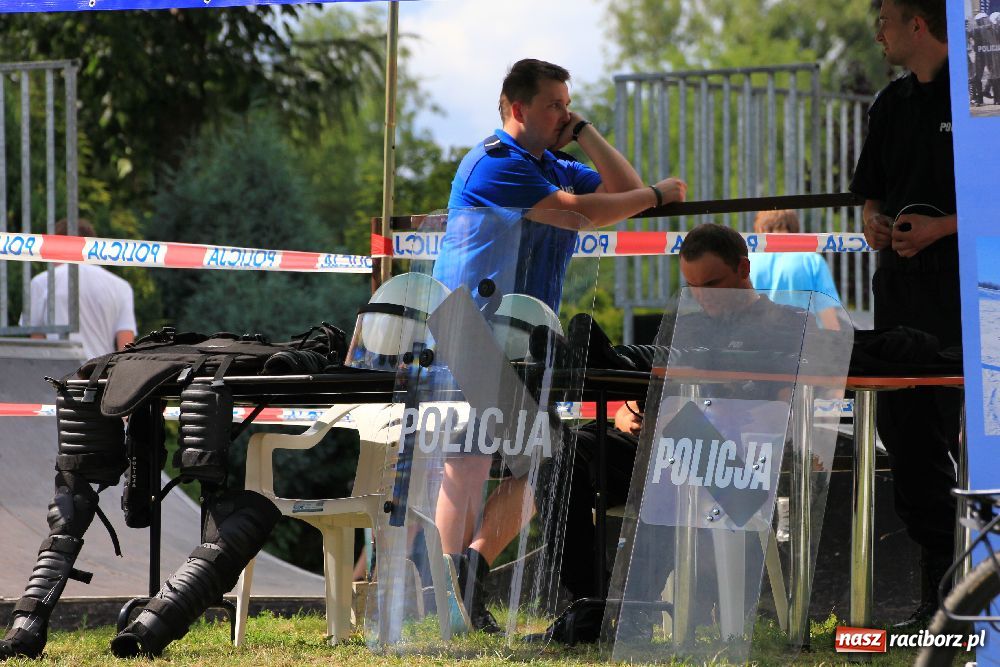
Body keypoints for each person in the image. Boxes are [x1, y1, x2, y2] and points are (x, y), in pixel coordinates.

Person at [429, 58, 687, 633]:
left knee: (546, 464)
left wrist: (587, 132)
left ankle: (469, 572)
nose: (563, 114)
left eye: (568, 104)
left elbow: (621, 189)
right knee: (468, 463)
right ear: (518, 108)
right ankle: (449, 605)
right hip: (471, 331)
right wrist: (654, 196)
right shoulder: (495, 163)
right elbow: (583, 214)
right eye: (554, 105)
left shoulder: (553, 165)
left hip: (527, 339)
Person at [544, 222, 820, 643]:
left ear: (744, 268)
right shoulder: (684, 325)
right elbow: (653, 391)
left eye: (713, 285)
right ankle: (593, 602)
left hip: (737, 465)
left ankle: (629, 610)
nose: (703, 298)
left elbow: (789, 413)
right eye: (692, 288)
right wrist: (628, 410)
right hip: (666, 446)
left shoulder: (791, 324)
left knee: (681, 446)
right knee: (561, 452)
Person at [850, 0, 960, 628]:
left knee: (968, 432)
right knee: (906, 432)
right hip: (899, 293)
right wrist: (874, 222)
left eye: (885, 21)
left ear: (919, 24)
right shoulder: (889, 103)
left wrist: (943, 228)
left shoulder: (981, 98)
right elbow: (871, 192)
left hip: (968, 292)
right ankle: (941, 597)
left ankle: (981, 595)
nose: (878, 33)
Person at [21, 218, 137, 359]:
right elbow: (126, 347)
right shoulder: (121, 286)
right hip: (101, 370)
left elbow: (37, 342)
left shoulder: (41, 282)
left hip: (57, 368)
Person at [748, 209, 843, 329]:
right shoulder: (812, 261)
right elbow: (830, 322)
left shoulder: (746, 261)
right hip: (801, 338)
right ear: (795, 229)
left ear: (759, 229)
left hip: (755, 337)